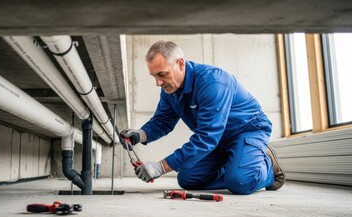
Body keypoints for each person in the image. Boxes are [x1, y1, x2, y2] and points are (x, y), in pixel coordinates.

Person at [120, 40, 285, 195]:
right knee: (188, 179)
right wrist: (140, 134)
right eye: (154, 76)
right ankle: (239, 164)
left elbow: (207, 137)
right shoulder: (170, 89)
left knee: (240, 182)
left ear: (180, 64)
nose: (158, 82)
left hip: (247, 131)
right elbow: (162, 121)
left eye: (162, 74)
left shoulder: (213, 82)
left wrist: (161, 167)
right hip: (219, 141)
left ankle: (267, 167)